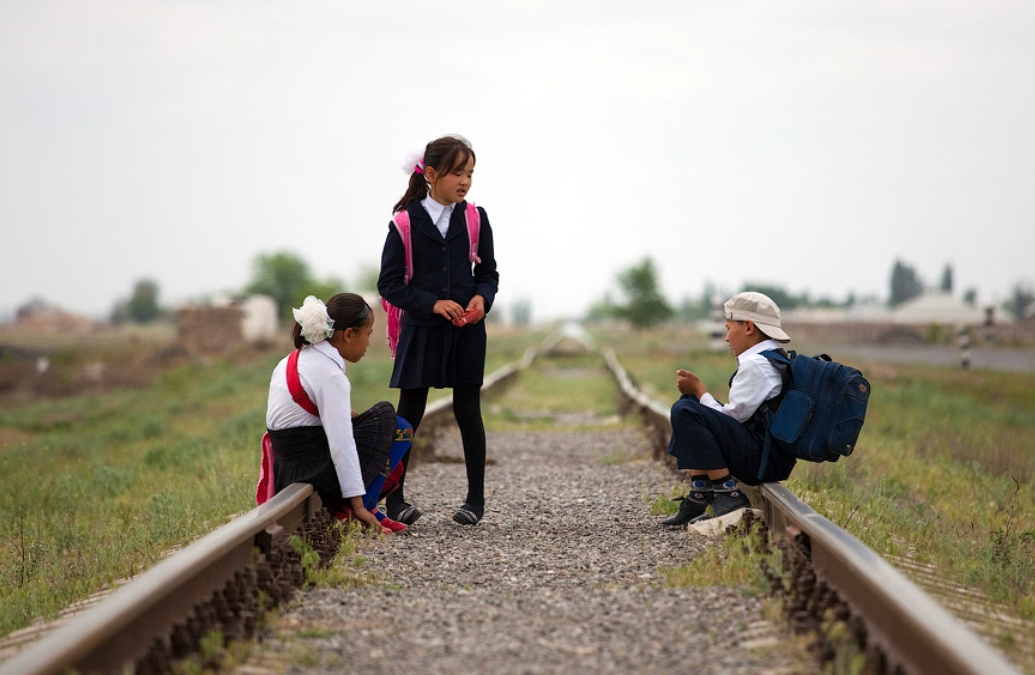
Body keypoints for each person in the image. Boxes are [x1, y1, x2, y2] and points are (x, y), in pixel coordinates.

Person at [377, 134, 500, 526]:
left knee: (469, 412)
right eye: (457, 173)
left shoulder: (476, 218)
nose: (465, 181)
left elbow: (489, 274)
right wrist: (431, 303)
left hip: (466, 331)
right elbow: (390, 284)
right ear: (430, 174)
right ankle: (394, 500)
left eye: (470, 173)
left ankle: (474, 501)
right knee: (409, 415)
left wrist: (482, 300)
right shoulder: (404, 224)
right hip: (421, 331)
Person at [265, 293, 413, 534]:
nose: (368, 343)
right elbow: (341, 445)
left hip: (290, 465)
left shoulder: (295, 359)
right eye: (368, 334)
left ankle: (367, 506)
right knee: (393, 422)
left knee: (384, 422)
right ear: (348, 334)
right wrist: (357, 505)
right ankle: (363, 507)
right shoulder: (330, 375)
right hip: (312, 466)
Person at [661, 291, 797, 526]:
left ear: (748, 327)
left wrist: (700, 389)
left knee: (686, 410)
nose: (726, 338)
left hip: (761, 462)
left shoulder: (757, 365)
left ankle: (727, 494)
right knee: (688, 404)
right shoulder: (769, 357)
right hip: (766, 455)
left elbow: (733, 418)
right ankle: (701, 491)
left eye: (728, 328)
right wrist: (696, 395)